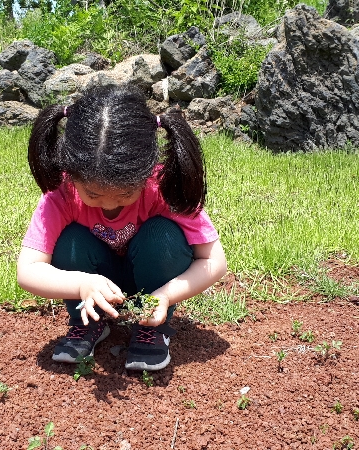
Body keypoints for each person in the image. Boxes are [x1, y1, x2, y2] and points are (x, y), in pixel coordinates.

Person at [17, 84, 227, 371]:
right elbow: (27, 271)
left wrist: (165, 296)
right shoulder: (63, 192)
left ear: (147, 170)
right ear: (71, 171)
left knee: (161, 236)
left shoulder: (164, 187)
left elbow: (214, 261)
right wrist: (82, 285)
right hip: (93, 284)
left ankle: (152, 324)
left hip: (154, 281)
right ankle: (89, 321)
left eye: (125, 194)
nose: (107, 205)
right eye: (92, 194)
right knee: (69, 240)